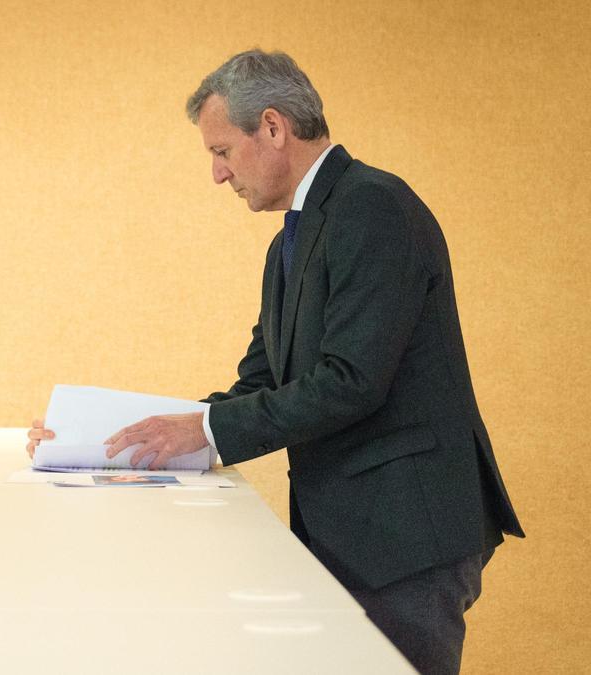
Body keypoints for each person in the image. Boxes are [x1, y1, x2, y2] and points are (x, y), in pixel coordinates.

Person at [26, 50, 523, 674]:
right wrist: (91, 438)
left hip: (404, 540)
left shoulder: (373, 207)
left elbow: (350, 383)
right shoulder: (293, 239)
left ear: (271, 127)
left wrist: (201, 431)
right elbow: (259, 385)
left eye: (221, 151)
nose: (216, 174)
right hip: (353, 534)